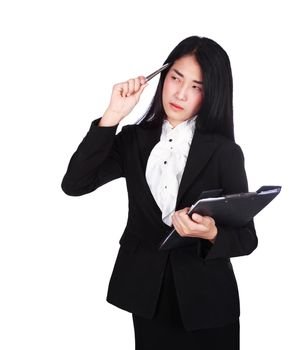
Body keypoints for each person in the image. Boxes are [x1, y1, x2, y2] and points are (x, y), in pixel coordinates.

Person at [61, 36, 258, 350]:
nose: (180, 93)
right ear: (163, 77)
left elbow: (247, 238)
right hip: (146, 295)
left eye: (197, 86)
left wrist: (211, 232)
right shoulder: (133, 140)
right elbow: (75, 184)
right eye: (176, 78)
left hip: (209, 304)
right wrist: (112, 115)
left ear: (211, 94)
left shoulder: (224, 152)